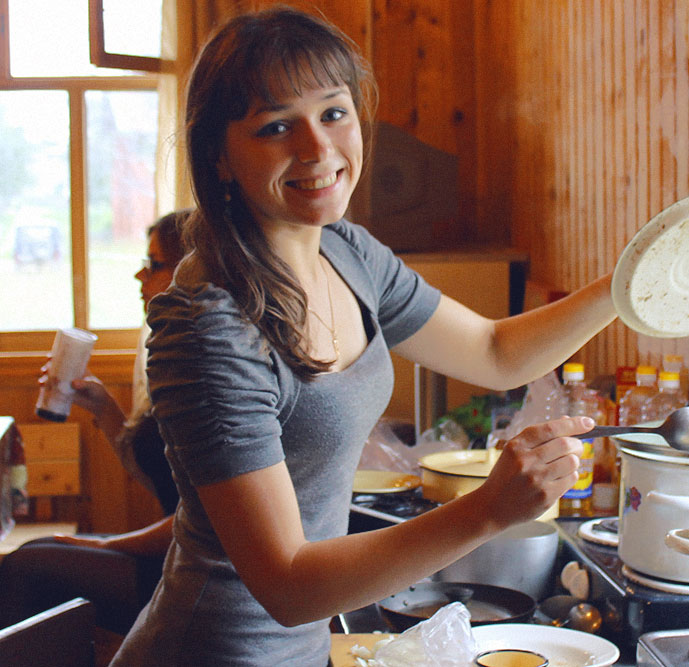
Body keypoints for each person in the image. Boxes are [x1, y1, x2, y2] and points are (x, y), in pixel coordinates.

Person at [111, 8, 618, 665]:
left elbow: (496, 352)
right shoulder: (211, 326)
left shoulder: (346, 252)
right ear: (220, 156)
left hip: (303, 648)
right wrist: (488, 509)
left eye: (333, 112)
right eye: (275, 126)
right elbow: (288, 584)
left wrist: (635, 283)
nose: (319, 149)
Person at [0, 211, 189, 637]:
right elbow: (162, 479)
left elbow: (197, 518)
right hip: (171, 551)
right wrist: (102, 406)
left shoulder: (203, 366)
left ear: (193, 269)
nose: (141, 274)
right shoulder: (165, 346)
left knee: (29, 567)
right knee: (36, 552)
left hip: (195, 574)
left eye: (155, 263)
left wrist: (101, 542)